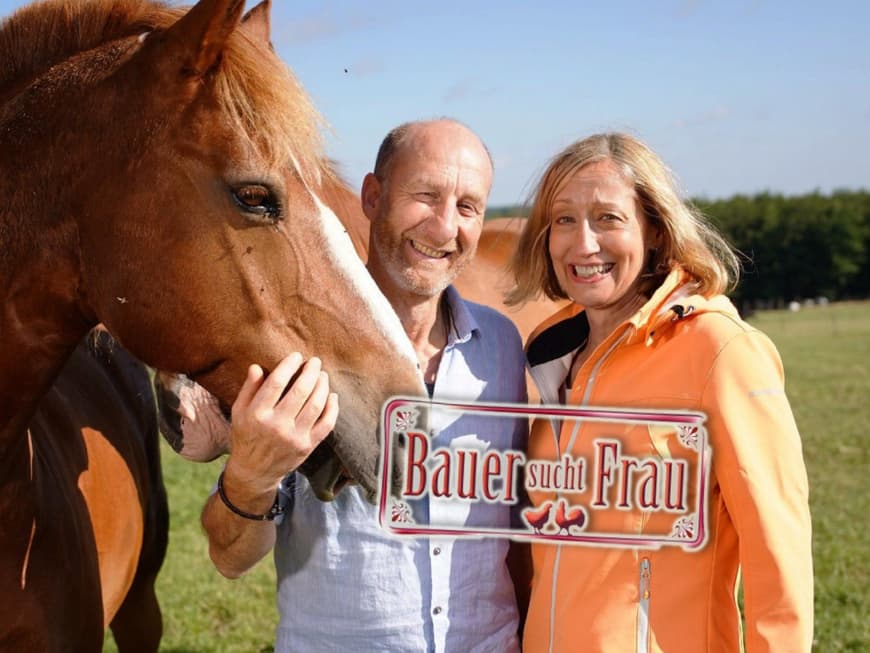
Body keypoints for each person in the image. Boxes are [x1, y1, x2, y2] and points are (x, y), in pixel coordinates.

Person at [179, 119, 529, 652]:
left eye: (467, 207)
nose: (442, 228)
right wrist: (250, 475)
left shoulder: (502, 346)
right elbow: (230, 559)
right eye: (425, 196)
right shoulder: (291, 346)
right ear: (372, 196)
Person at [507, 132, 813, 652]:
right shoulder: (549, 356)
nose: (584, 244)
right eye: (564, 220)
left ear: (653, 229)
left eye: (608, 218)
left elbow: (776, 550)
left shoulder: (719, 350)